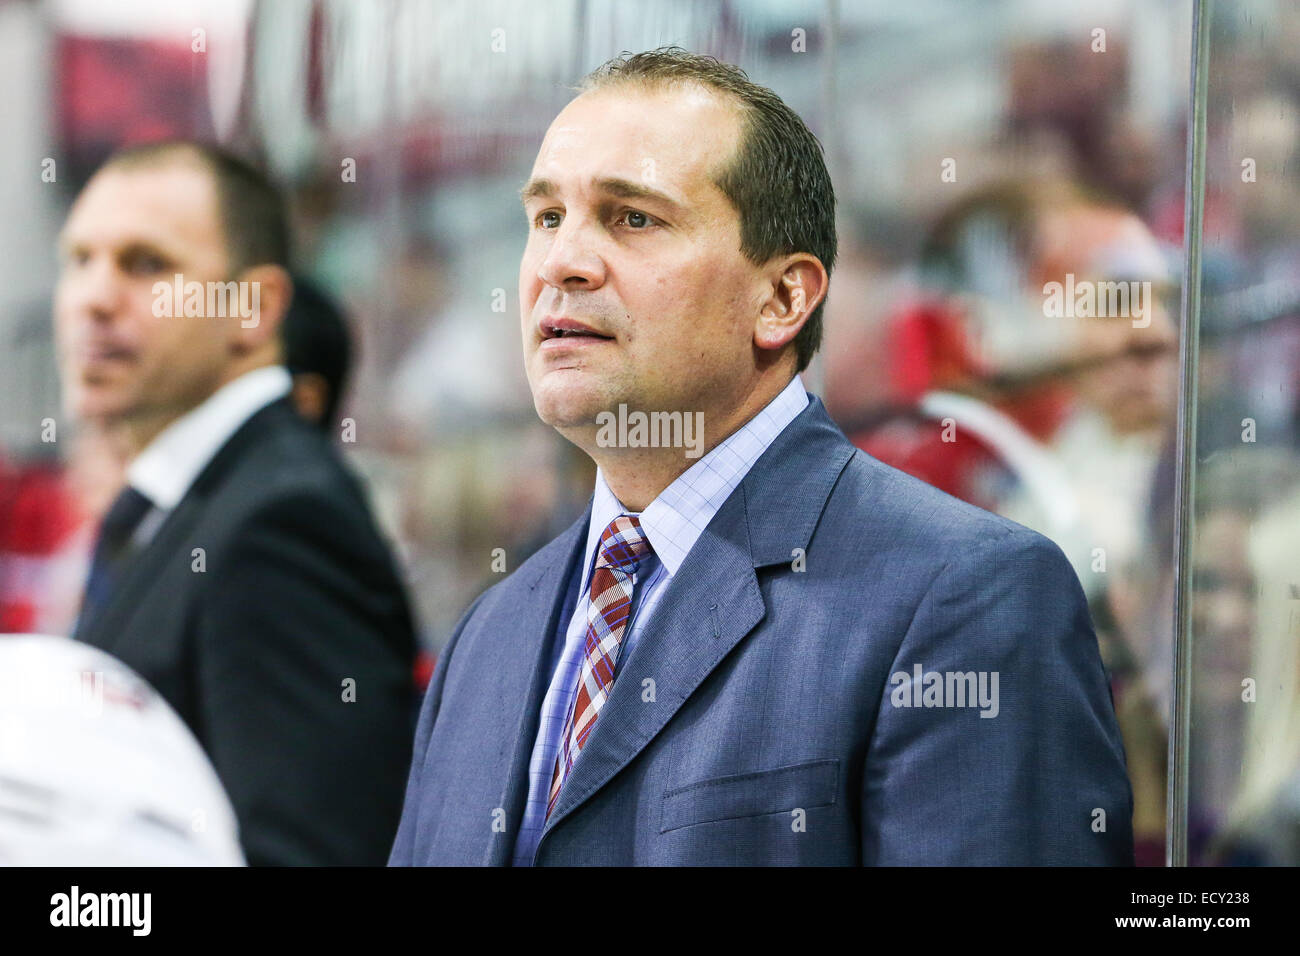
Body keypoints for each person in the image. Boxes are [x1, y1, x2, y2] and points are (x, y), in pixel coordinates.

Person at [390, 46, 1133, 866]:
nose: (564, 262)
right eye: (546, 217)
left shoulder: (966, 598)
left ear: (782, 298)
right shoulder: (488, 637)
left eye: (633, 217)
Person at [55, 140, 417, 865]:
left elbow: (311, 855)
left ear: (253, 308)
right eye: (80, 260)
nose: (94, 298)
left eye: (146, 264)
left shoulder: (278, 525)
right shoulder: (196, 501)